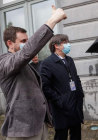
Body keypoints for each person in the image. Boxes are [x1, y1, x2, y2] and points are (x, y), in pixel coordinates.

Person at [0, 5, 67, 140]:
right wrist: (52, 21)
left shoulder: (26, 64)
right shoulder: (4, 61)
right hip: (22, 129)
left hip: (39, 125)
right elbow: (26, 53)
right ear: (10, 44)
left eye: (28, 41)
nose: (27, 44)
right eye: (23, 41)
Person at [40, 34, 84, 140]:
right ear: (56, 45)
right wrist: (60, 100)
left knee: (76, 134)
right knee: (61, 135)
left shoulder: (70, 60)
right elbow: (45, 87)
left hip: (75, 105)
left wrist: (80, 94)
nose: (69, 44)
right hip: (61, 108)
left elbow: (76, 78)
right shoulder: (47, 63)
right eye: (65, 42)